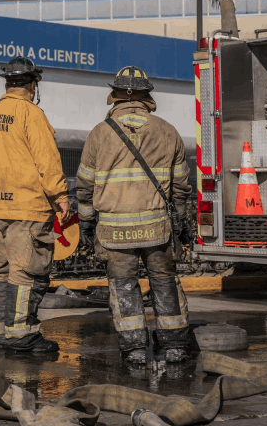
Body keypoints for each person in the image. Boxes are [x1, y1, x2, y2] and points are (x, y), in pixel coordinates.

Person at [75, 66, 193, 364]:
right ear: (147, 96)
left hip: (114, 232)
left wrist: (87, 221)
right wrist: (180, 220)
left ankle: (135, 349)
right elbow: (181, 186)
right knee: (164, 282)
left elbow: (85, 185)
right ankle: (175, 345)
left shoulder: (99, 134)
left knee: (123, 286)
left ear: (114, 96)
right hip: (157, 230)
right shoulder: (167, 131)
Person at [0, 56, 69, 356]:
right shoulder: (32, 115)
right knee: (26, 274)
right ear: (32, 84)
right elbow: (48, 162)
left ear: (6, 83)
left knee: (0, 274)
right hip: (26, 210)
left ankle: (2, 334)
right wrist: (61, 198)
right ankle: (20, 337)